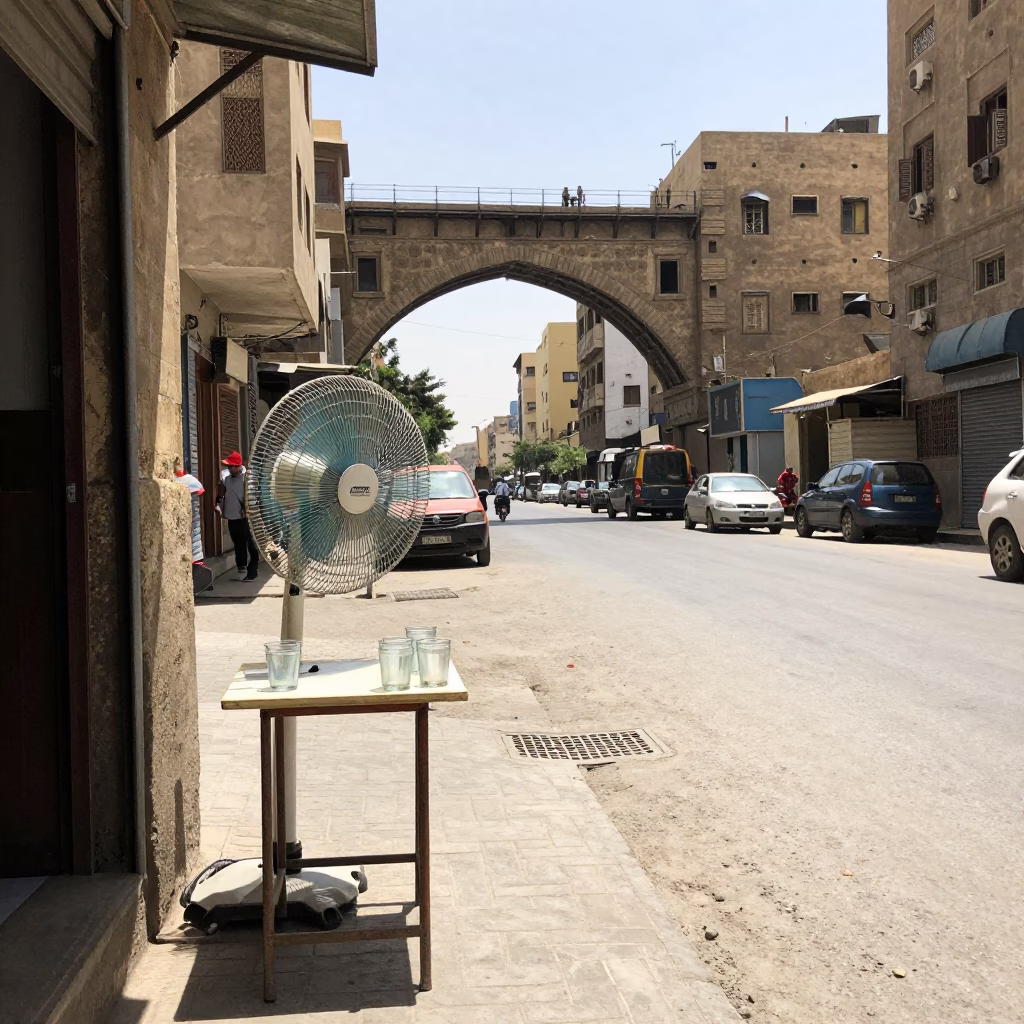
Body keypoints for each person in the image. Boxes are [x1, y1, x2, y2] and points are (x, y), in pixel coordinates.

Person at [217, 451, 260, 581]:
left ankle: (253, 572)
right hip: (232, 516)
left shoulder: (247, 478)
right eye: (228, 467)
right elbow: (221, 491)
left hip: (245, 517)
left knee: (251, 544)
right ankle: (241, 565)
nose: (229, 469)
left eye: (231, 467)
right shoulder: (227, 477)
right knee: (237, 542)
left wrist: (248, 509)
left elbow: (253, 497)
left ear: (238, 466)